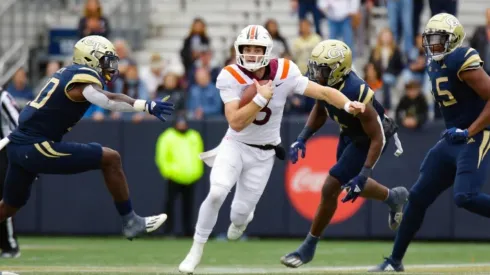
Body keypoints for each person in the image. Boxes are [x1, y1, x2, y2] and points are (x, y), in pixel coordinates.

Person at [178, 25, 366, 274]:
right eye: (248, 49)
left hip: (264, 154)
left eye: (257, 49)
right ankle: (196, 250)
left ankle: (243, 217)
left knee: (238, 217)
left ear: (267, 51)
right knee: (216, 192)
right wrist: (259, 98)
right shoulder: (229, 75)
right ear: (239, 50)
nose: (253, 54)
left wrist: (347, 103)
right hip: (234, 144)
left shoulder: (285, 71)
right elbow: (235, 121)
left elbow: (321, 91)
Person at [0, 35, 175, 241]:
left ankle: (131, 221)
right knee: (111, 158)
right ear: (90, 59)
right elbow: (104, 99)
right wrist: (144, 105)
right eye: (106, 60)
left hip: (21, 146)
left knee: (8, 207)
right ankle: (130, 220)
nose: (110, 66)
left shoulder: (68, 73)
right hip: (34, 145)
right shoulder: (83, 76)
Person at [370, 13, 490, 272]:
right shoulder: (433, 63)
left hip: (477, 135)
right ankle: (394, 261)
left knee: (465, 196)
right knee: (417, 197)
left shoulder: (461, 58)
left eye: (439, 39)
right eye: (430, 39)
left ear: (454, 39)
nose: (432, 44)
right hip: (451, 138)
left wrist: (469, 131)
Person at [280, 40, 408, 269]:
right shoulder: (328, 81)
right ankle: (393, 197)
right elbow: (320, 108)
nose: (317, 74)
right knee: (348, 182)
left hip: (371, 138)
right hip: (349, 133)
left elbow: (377, 137)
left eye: (323, 69)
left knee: (331, 186)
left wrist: (365, 172)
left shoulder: (355, 91)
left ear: (338, 69)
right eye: (316, 67)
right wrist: (302, 137)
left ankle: (308, 247)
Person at [0, 88, 21, 258]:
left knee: (3, 200)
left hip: (3, 154)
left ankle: (9, 245)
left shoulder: (3, 97)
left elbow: (20, 125)